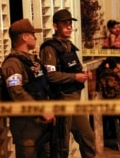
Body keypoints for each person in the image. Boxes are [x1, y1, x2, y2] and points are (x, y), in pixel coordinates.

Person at [39, 9, 95, 158]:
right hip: (62, 99)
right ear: (55, 26)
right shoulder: (50, 48)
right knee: (61, 144)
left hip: (75, 98)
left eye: (70, 24)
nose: (69, 27)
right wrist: (75, 77)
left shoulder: (68, 46)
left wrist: (83, 75)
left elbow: (73, 69)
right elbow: (50, 75)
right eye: (65, 24)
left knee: (87, 137)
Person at [0, 19, 55, 158]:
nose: (35, 37)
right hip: (26, 127)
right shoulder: (13, 63)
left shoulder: (32, 60)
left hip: (41, 125)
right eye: (32, 34)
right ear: (24, 37)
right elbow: (17, 93)